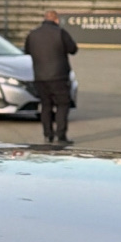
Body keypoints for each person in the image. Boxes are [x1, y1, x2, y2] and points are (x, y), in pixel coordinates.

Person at [24, 10, 77, 144]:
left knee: (46, 105)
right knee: (62, 104)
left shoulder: (33, 34)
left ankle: (48, 135)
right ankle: (61, 135)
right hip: (59, 76)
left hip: (40, 76)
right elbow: (73, 49)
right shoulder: (60, 33)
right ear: (56, 19)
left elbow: (27, 51)